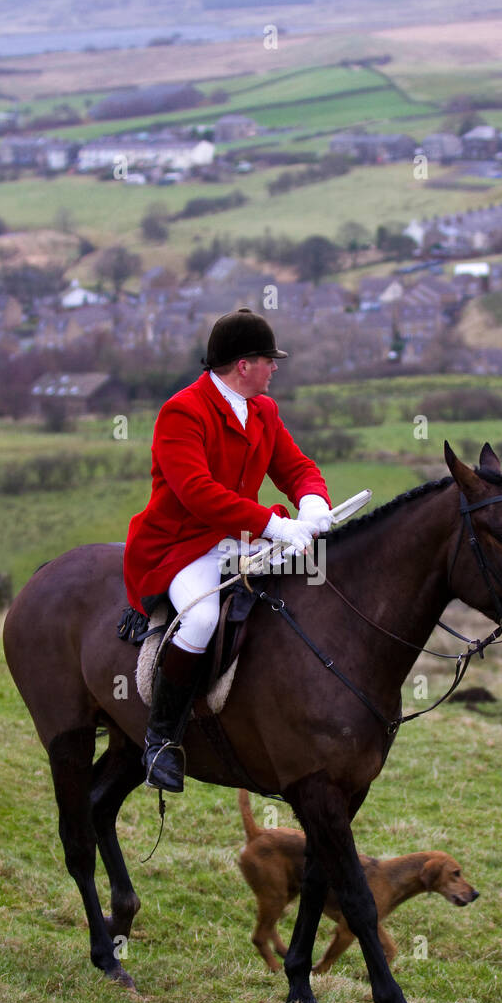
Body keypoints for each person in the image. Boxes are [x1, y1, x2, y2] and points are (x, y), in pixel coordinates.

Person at [124, 307, 332, 793]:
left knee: (305, 589)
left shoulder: (263, 410)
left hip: (239, 540)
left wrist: (313, 503)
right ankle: (160, 740)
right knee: (199, 620)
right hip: (179, 546)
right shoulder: (183, 411)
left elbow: (296, 467)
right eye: (268, 360)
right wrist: (272, 526)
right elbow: (196, 491)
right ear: (244, 365)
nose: (274, 368)